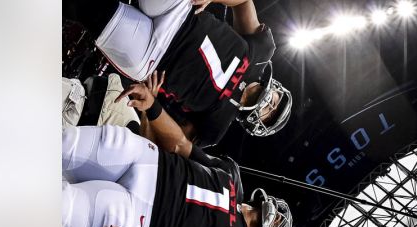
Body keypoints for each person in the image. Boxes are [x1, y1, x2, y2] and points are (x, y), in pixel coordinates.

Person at [63, 124, 292, 227]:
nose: (277, 217)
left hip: (137, 214)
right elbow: (182, 145)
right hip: (146, 158)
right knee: (59, 144)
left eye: (278, 225)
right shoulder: (232, 174)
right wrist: (153, 108)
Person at [65, 0, 291, 149]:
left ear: (255, 124)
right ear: (277, 90)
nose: (270, 107)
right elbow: (242, 3)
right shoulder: (262, 53)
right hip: (181, 13)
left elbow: (168, 142)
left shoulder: (216, 128)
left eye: (270, 116)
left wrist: (151, 107)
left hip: (150, 57)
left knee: (87, 6)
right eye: (276, 103)